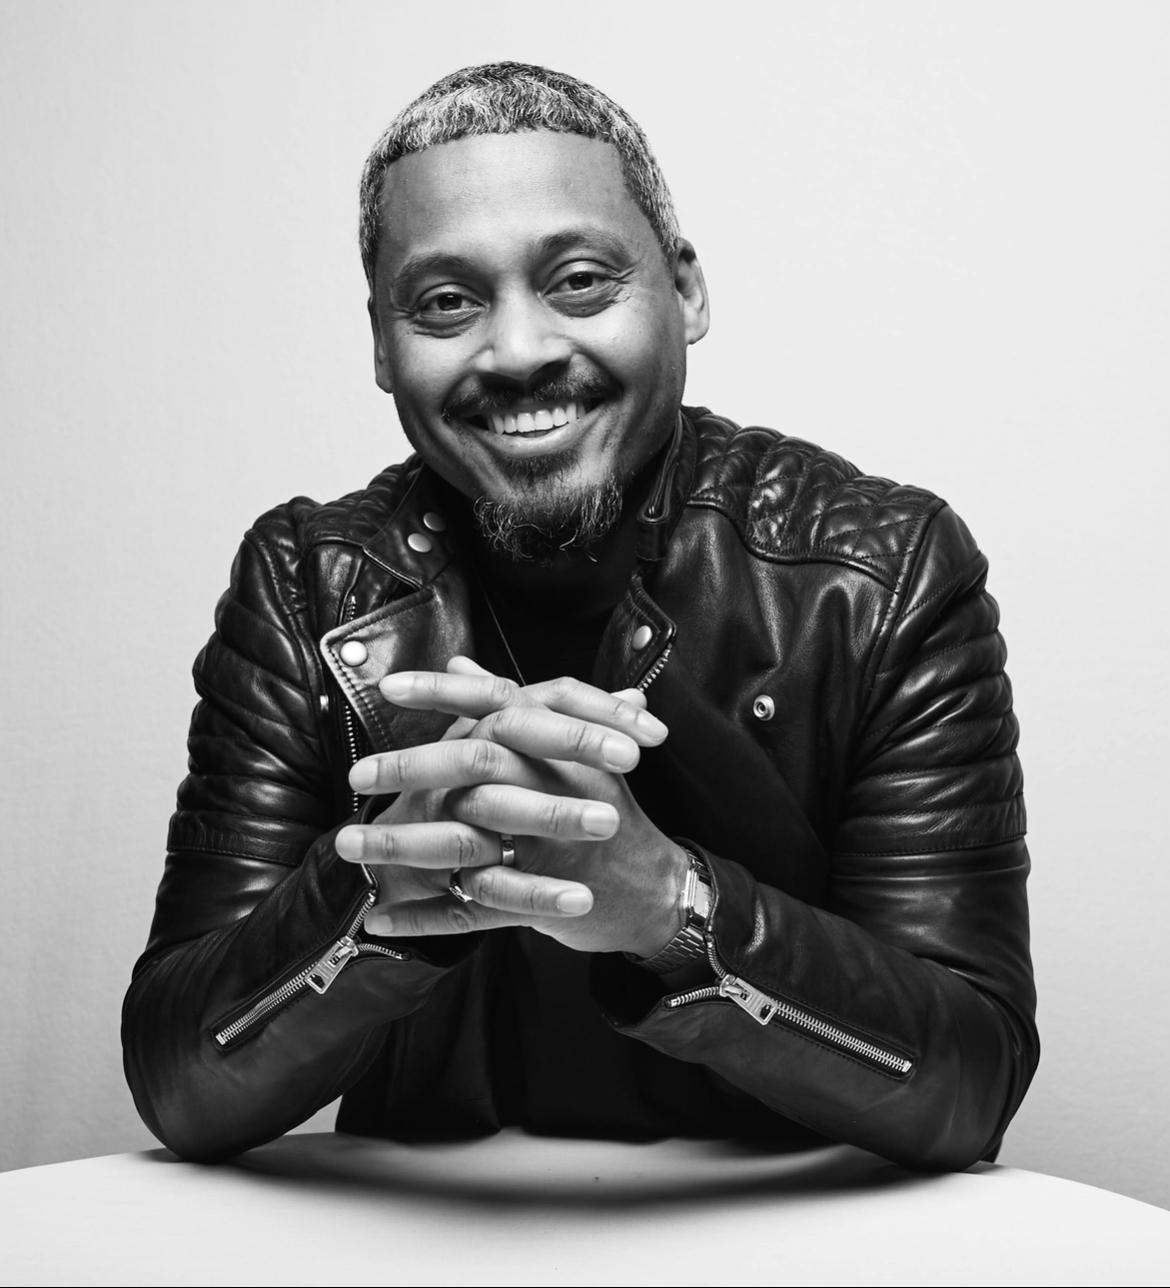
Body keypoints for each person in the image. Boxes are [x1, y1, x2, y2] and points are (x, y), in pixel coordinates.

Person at [122, 62, 1038, 1169]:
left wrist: (671, 909)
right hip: (415, 1237)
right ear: (381, 344)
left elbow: (969, 1085)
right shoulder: (306, 585)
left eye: (580, 281)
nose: (518, 352)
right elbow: (179, 1083)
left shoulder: (884, 576)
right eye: (446, 301)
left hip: (788, 1232)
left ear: (685, 292)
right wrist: (379, 883)